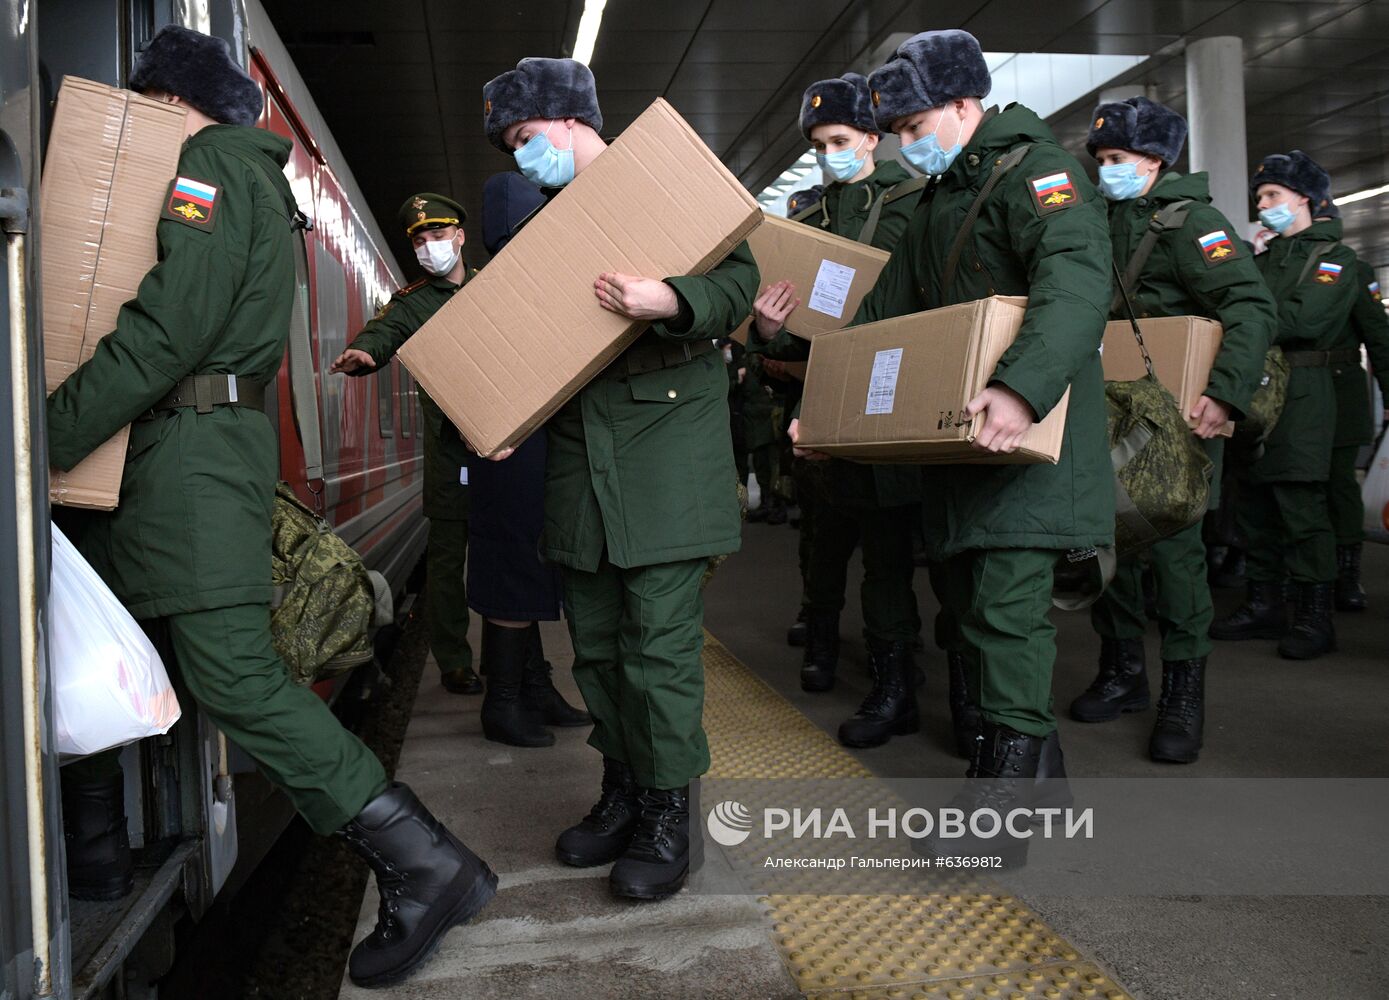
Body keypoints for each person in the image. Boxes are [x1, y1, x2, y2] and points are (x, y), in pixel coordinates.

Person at [46, 26, 492, 987]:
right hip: (185, 465)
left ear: (170, 104)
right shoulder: (258, 179)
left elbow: (169, 330)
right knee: (106, 643)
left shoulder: (207, 164)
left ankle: (428, 865)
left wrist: (42, 435)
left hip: (190, 466)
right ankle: (94, 854)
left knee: (237, 677)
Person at [800, 30, 1113, 862]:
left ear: (966, 106)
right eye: (895, 131)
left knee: (1006, 611)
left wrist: (1020, 386)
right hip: (967, 446)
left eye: (913, 126)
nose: (905, 144)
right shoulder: (938, 200)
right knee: (973, 609)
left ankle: (1001, 800)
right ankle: (1040, 778)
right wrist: (822, 407)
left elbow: (1075, 282)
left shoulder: (1037, 175)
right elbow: (882, 315)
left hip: (1029, 433)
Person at [482, 57, 759, 899]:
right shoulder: (545, 225)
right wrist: (502, 414)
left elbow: (738, 285)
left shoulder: (667, 188)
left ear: (571, 121)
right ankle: (625, 790)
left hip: (663, 457)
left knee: (659, 651)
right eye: (510, 148)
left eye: (526, 138)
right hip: (578, 463)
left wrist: (669, 300)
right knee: (597, 649)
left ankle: (670, 812)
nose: (521, 159)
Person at [1074, 97, 1275, 763]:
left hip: (1171, 417)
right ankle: (1123, 670)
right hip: (1103, 410)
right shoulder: (1093, 219)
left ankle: (1182, 690)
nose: (1106, 171)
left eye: (1119, 159)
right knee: (1108, 544)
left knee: (1175, 556)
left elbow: (1248, 304)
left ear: (1156, 161)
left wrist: (1225, 395)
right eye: (1100, 159)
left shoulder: (1192, 223)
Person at [749, 72, 928, 749]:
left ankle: (894, 681)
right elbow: (793, 323)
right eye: (821, 144)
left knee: (887, 547)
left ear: (873, 141)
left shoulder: (911, 202)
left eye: (841, 140)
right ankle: (821, 640)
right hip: (818, 397)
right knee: (822, 535)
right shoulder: (805, 213)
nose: (830, 154)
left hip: (885, 390)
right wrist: (767, 331)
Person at [1211, 151, 1361, 660]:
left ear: (1305, 198)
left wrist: (1248, 318)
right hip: (1256, 390)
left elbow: (1306, 320)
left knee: (1302, 506)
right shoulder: (1262, 260)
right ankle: (1264, 602)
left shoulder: (1335, 260)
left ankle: (1315, 615)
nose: (1263, 205)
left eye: (1273, 195)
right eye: (1259, 197)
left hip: (1304, 392)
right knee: (1253, 502)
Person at [330, 193, 482, 696]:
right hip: (450, 454)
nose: (430, 246)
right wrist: (365, 352)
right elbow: (384, 330)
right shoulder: (413, 304)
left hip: (509, 449)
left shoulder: (492, 290)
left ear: (460, 235)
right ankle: (455, 660)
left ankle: (523, 663)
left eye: (438, 235)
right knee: (445, 562)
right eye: (420, 240)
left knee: (513, 553)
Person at [466, 171, 591, 744]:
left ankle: (534, 687)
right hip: (511, 448)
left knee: (529, 563)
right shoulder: (509, 290)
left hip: (524, 446)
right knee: (517, 565)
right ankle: (504, 701)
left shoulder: (499, 287)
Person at [1325, 254, 1389, 610]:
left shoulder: (1353, 269)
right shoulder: (1274, 262)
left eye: (1276, 193)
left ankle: (1348, 574)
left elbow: (1378, 335)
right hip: (1291, 394)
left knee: (1340, 486)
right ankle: (1305, 576)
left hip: (1341, 393)